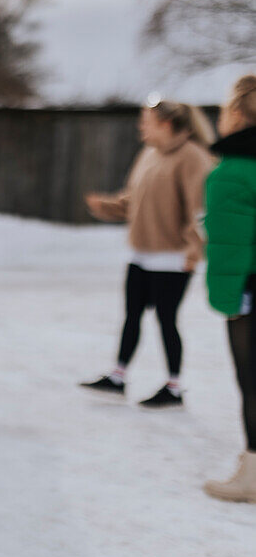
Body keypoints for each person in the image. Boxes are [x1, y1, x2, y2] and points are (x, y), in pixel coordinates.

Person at [80, 99, 216, 407]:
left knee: (167, 319)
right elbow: (133, 199)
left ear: (166, 124)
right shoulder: (149, 154)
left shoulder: (193, 158)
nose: (141, 127)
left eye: (146, 121)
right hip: (140, 253)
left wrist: (195, 251)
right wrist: (107, 207)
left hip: (173, 257)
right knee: (132, 316)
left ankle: (174, 386)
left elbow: (200, 210)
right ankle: (118, 375)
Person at [203, 75, 256, 502]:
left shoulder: (232, 170)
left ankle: (252, 472)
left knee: (251, 379)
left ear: (236, 115)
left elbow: (226, 244)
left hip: (249, 287)